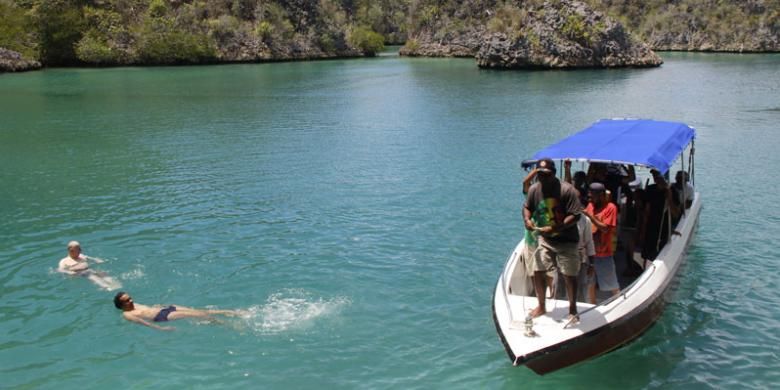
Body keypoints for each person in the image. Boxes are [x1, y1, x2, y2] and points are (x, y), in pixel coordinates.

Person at [523, 158, 582, 322]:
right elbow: (527, 207)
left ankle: (572, 309)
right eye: (540, 175)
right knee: (538, 271)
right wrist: (527, 220)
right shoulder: (534, 189)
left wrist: (556, 228)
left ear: (554, 174)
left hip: (567, 241)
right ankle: (541, 306)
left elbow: (576, 215)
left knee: (569, 275)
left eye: (546, 175)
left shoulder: (567, 190)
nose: (543, 178)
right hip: (546, 239)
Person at [113, 292, 244, 331]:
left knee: (200, 311)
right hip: (162, 316)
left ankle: (232, 313)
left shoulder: (135, 304)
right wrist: (160, 329)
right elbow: (143, 322)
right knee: (199, 316)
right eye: (127, 300)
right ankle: (228, 325)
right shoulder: (127, 314)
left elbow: (148, 308)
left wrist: (157, 305)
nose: (131, 300)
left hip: (167, 308)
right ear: (121, 305)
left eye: (130, 298)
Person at [581, 183, 620, 303]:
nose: (590, 199)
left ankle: (619, 303)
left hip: (604, 254)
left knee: (611, 283)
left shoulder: (611, 208)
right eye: (589, 197)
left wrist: (591, 217)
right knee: (590, 282)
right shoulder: (590, 205)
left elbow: (605, 228)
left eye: (592, 196)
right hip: (590, 253)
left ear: (601, 195)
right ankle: (592, 305)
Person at [638, 169, 681, 267]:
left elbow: (676, 214)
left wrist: (669, 199)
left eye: (658, 175)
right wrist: (642, 232)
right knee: (647, 254)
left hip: (664, 230)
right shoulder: (650, 189)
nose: (656, 178)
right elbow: (646, 212)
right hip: (651, 228)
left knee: (659, 253)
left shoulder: (673, 191)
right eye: (654, 176)